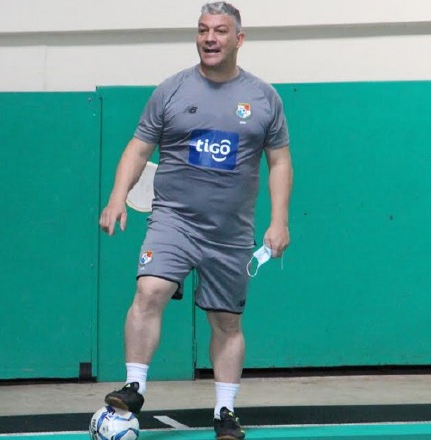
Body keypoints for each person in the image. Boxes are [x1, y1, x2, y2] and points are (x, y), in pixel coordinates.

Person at [98, 2, 292, 439]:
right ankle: (134, 387)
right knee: (150, 289)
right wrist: (117, 198)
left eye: (220, 31)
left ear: (238, 39)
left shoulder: (264, 98)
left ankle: (225, 412)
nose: (210, 38)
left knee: (226, 322)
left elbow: (279, 161)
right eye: (203, 30)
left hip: (230, 232)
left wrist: (279, 221)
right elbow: (138, 147)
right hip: (174, 221)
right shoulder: (171, 91)